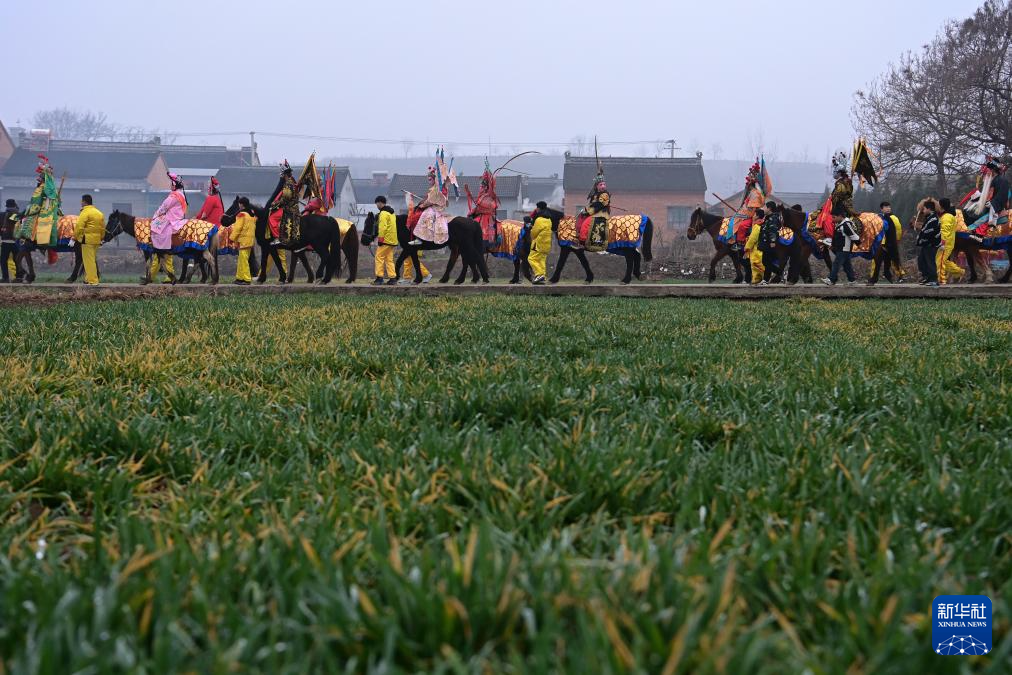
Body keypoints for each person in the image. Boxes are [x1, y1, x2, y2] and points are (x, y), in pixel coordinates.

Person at [147, 172, 188, 284]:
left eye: (171, 183)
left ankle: (153, 275)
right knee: (164, 255)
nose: (170, 185)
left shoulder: (174, 196)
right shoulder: (181, 194)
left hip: (171, 221)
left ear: (174, 185)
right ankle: (159, 275)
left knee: (156, 232)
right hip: (176, 219)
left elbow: (163, 207)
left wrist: (155, 216)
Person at [868, 201, 905, 285]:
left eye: (889, 207)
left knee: (889, 262)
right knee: (879, 262)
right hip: (881, 244)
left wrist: (896, 241)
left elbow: (898, 230)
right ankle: (875, 278)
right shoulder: (879, 218)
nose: (888, 208)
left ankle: (895, 276)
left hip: (890, 243)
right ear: (881, 209)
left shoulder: (893, 218)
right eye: (886, 207)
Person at [409, 167, 449, 246]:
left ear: (435, 179)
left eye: (430, 179)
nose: (429, 181)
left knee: (422, 215)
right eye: (428, 180)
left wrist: (422, 205)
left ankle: (420, 238)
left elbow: (430, 201)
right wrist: (423, 202)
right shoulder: (435, 188)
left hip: (436, 208)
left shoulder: (437, 189)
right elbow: (429, 199)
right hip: (435, 206)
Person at [822, 207, 859, 286]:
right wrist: (832, 245)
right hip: (840, 248)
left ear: (840, 216)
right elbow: (836, 237)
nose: (833, 219)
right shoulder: (839, 224)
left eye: (834, 217)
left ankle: (831, 279)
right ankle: (852, 280)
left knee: (836, 264)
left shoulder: (846, 224)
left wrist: (859, 243)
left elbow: (853, 235)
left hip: (844, 248)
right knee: (847, 266)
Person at [73, 194, 104, 285]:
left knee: (88, 261)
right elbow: (102, 228)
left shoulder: (85, 212)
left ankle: (93, 280)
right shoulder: (99, 213)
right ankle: (87, 278)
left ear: (84, 202)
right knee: (92, 259)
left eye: (81, 201)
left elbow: (79, 226)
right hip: (97, 240)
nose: (81, 203)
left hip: (87, 240)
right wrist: (101, 238)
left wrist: (75, 237)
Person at [467, 165, 500, 248]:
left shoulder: (489, 197)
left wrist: (473, 212)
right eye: (481, 186)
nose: (481, 188)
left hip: (487, 219)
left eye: (482, 186)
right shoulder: (484, 196)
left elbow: (484, 207)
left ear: (486, 187)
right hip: (483, 217)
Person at [269, 161, 300, 246]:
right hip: (294, 207)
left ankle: (277, 237)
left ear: (284, 174)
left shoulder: (288, 184)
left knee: (272, 218)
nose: (281, 176)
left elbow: (285, 199)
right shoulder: (293, 181)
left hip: (289, 209)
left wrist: (274, 204)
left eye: (282, 174)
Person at [578, 171, 610, 251]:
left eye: (604, 184)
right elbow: (591, 204)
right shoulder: (595, 195)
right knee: (580, 219)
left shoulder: (605, 195)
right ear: (597, 186)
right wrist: (585, 210)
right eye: (601, 185)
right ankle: (578, 238)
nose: (603, 186)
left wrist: (588, 212)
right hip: (594, 213)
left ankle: (584, 242)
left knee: (586, 224)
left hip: (600, 214)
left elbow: (599, 206)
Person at [936, 197, 964, 285]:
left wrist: (942, 242)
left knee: (940, 261)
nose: (936, 206)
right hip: (946, 243)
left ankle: (941, 280)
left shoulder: (947, 217)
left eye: (938, 204)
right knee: (943, 261)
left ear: (942, 206)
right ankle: (959, 272)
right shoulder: (946, 215)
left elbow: (945, 231)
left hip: (945, 243)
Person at [373, 196, 398, 285]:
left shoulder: (383, 213)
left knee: (379, 257)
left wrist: (380, 239)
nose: (376, 206)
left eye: (376, 204)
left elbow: (382, 227)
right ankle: (392, 278)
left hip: (385, 240)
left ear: (380, 203)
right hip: (392, 239)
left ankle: (379, 278)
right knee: (388, 259)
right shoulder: (392, 213)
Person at [916, 200, 941, 287]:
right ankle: (927, 277)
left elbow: (928, 232)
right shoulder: (929, 218)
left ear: (929, 209)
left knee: (930, 262)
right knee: (921, 261)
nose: (923, 211)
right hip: (926, 245)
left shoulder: (933, 219)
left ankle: (934, 280)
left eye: (924, 209)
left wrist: (922, 240)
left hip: (931, 244)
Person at [231, 197, 256, 285]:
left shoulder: (241, 214)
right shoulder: (252, 214)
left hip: (243, 240)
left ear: (241, 204)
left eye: (239, 203)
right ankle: (239, 278)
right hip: (250, 240)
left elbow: (237, 228)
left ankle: (246, 279)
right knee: (242, 260)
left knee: (243, 260)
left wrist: (232, 238)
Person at [528, 201, 554, 285]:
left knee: (531, 258)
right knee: (541, 260)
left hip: (538, 244)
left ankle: (539, 274)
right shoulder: (549, 220)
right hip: (546, 245)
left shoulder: (539, 220)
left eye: (537, 208)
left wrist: (531, 228)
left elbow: (534, 234)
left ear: (539, 208)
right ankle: (542, 277)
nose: (536, 209)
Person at [830, 152, 858, 217]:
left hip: (841, 208)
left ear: (839, 173)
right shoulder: (844, 181)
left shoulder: (841, 183)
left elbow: (838, 196)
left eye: (835, 171)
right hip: (844, 205)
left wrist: (831, 200)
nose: (834, 173)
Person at [758, 202, 781, 283]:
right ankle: (779, 273)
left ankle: (766, 279)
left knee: (767, 261)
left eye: (764, 207)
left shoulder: (773, 218)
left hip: (770, 243)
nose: (763, 209)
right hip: (766, 243)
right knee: (766, 261)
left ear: (769, 208)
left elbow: (773, 230)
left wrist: (772, 241)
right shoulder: (768, 218)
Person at [744, 208, 765, 286]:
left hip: (756, 249)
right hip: (762, 247)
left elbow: (753, 239)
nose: (753, 216)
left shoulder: (757, 225)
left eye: (755, 214)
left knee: (755, 263)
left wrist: (747, 247)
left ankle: (757, 279)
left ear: (757, 216)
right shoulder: (763, 223)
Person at [0, 199, 18, 283]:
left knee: (3, 260)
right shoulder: (18, 215)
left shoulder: (2, 215)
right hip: (16, 241)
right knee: (17, 259)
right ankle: (19, 277)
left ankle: (5, 278)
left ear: (6, 206)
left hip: (6, 241)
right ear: (14, 205)